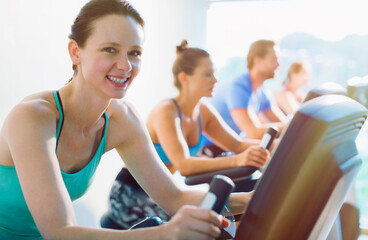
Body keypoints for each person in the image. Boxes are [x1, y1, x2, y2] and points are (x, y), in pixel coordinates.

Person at [0, 1, 252, 239]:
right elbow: (60, 232)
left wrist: (253, 198)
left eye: (134, 53)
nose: (126, 65)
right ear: (76, 52)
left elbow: (173, 197)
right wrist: (164, 234)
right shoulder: (32, 117)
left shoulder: (122, 119)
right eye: (110, 49)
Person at [107, 41, 270, 228]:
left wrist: (278, 147)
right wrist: (239, 160)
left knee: (229, 219)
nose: (215, 80)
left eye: (214, 74)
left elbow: (239, 144)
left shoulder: (203, 111)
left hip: (163, 192)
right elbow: (183, 165)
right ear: (185, 78)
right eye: (208, 75)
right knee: (207, 223)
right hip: (131, 195)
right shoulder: (166, 111)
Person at [202, 40, 287, 156]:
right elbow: (254, 133)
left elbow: (281, 122)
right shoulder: (238, 87)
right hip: (210, 150)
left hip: (230, 147)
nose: (279, 64)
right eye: (274, 60)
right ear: (257, 61)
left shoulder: (262, 91)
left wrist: (295, 127)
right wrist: (294, 126)